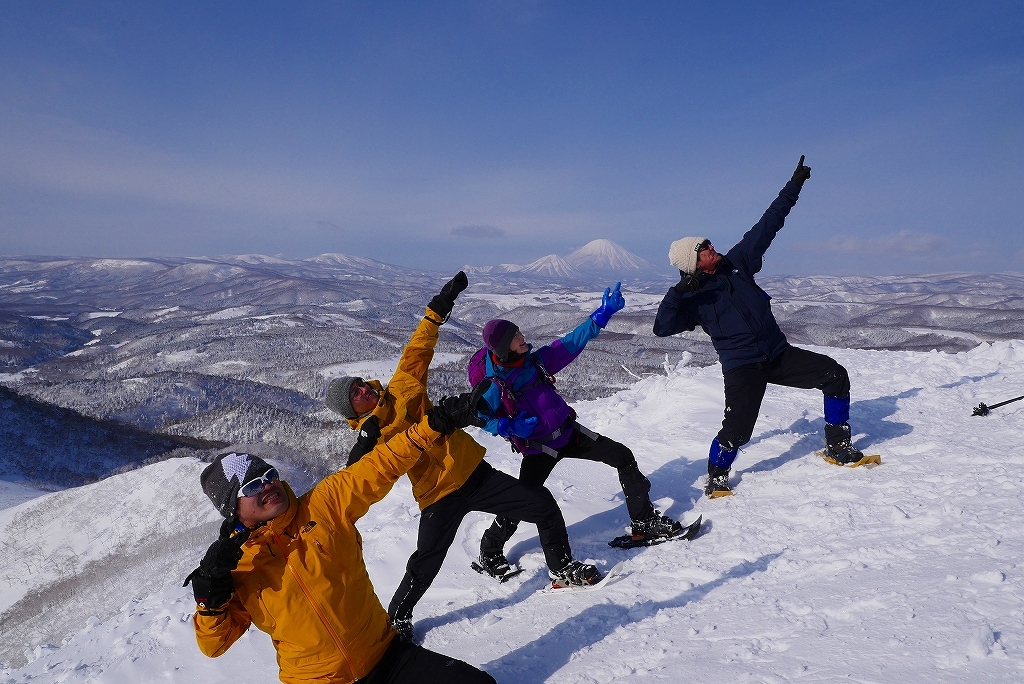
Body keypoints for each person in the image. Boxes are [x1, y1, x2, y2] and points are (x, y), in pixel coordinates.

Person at [324, 272, 599, 642]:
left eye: (359, 384)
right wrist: (366, 439)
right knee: (426, 561)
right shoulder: (371, 440)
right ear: (352, 411)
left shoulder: (403, 387)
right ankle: (397, 620)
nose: (362, 390)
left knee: (543, 505)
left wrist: (440, 306)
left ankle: (561, 569)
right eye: (355, 394)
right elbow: (353, 477)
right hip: (437, 495)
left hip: (474, 473)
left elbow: (419, 347)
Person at [185, 388, 497, 684]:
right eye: (252, 486)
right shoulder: (236, 565)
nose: (267, 485)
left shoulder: (323, 504)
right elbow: (215, 645)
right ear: (233, 508)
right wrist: (210, 597)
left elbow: (381, 464)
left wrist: (433, 426)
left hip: (386, 655)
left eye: (269, 476)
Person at [653, 155, 871, 499]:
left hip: (777, 353)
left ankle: (837, 446)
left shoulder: (736, 264)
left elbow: (768, 224)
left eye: (708, 242)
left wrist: (794, 185)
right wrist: (677, 293)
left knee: (834, 375)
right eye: (704, 248)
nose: (712, 246)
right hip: (743, 366)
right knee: (738, 430)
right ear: (695, 263)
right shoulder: (692, 299)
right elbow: (661, 328)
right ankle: (717, 475)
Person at [475, 282, 684, 571]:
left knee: (622, 456)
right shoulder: (494, 384)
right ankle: (490, 549)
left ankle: (644, 522)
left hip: (569, 434)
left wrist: (601, 315)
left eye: (520, 331)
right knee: (523, 500)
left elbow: (570, 343)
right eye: (515, 336)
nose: (523, 337)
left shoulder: (534, 362)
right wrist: (509, 426)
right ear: (502, 347)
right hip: (540, 449)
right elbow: (481, 418)